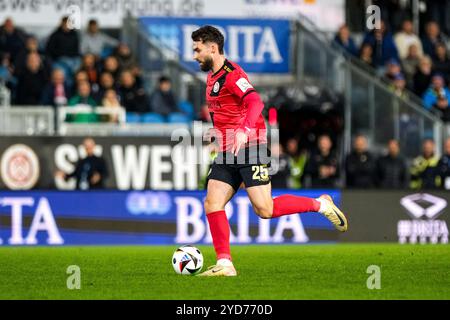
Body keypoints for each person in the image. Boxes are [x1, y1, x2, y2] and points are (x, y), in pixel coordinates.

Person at [191, 26, 348, 277]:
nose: (195, 54)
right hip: (227, 150)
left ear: (213, 47)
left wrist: (242, 130)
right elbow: (225, 113)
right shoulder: (211, 76)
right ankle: (225, 264)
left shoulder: (232, 74)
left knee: (265, 209)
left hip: (250, 147)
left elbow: (255, 102)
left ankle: (320, 204)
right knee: (212, 202)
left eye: (197, 49)